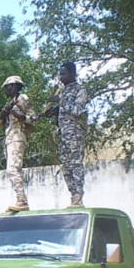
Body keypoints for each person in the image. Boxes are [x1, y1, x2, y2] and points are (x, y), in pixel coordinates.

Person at [44, 61, 89, 207]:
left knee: (76, 165)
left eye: (63, 74)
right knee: (66, 167)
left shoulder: (80, 90)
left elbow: (76, 110)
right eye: (59, 74)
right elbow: (64, 112)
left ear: (72, 74)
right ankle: (73, 195)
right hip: (62, 134)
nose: (60, 77)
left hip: (75, 134)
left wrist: (61, 101)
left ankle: (78, 196)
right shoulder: (62, 91)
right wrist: (54, 111)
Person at [0, 75, 37, 212]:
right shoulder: (9, 104)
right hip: (10, 137)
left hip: (18, 136)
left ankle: (21, 200)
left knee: (12, 169)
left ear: (14, 86)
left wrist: (21, 117)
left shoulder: (22, 99)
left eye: (7, 87)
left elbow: (34, 119)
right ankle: (20, 199)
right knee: (13, 169)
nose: (5, 90)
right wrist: (3, 114)